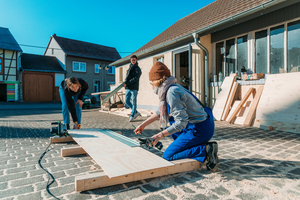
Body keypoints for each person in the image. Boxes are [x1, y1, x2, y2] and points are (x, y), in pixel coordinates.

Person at [134, 61, 218, 170]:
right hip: (202, 124)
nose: (152, 86)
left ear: (156, 81)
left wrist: (158, 136)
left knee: (168, 156)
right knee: (171, 125)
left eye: (151, 83)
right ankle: (190, 145)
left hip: (201, 129)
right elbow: (161, 111)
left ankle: (206, 149)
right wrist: (143, 124)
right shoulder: (172, 87)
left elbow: (181, 123)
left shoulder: (171, 93)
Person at [124, 55, 142, 122]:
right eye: (132, 60)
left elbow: (135, 78)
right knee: (127, 101)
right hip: (128, 88)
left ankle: (132, 115)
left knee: (134, 102)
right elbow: (127, 77)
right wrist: (125, 83)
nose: (133, 61)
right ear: (130, 60)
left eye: (134, 59)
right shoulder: (130, 68)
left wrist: (127, 83)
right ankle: (136, 112)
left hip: (134, 88)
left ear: (136, 60)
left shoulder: (137, 69)